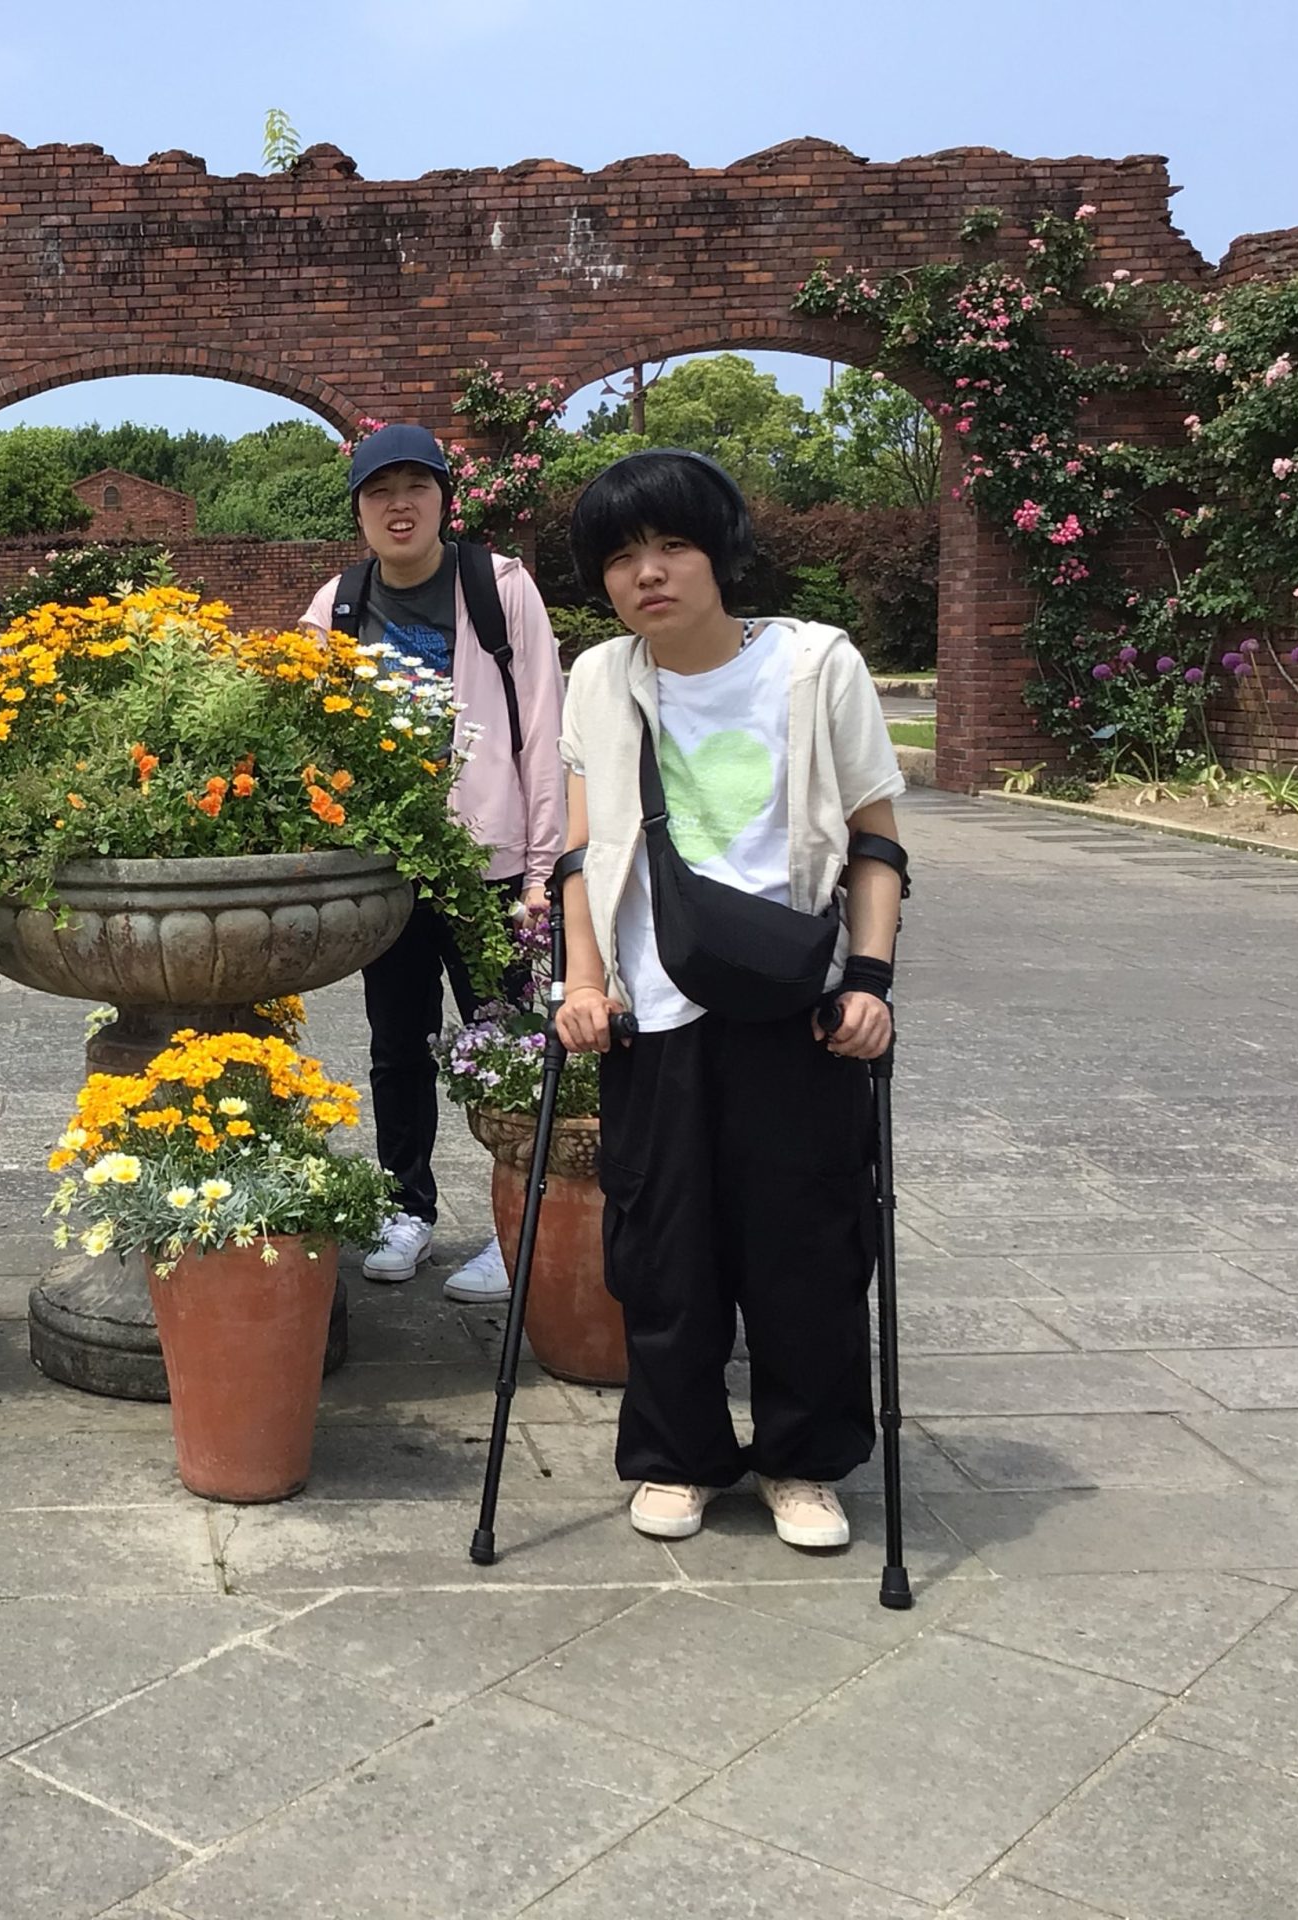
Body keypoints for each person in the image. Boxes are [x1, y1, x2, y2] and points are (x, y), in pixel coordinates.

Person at [552, 448, 905, 1552]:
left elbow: (876, 840)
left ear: (720, 553)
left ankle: (803, 1461)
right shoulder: (598, 678)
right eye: (621, 556)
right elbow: (578, 854)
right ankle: (679, 1455)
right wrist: (583, 980)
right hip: (654, 1015)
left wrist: (870, 981)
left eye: (672, 545)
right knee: (662, 1252)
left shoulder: (815, 664)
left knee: (807, 1247)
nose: (648, 573)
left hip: (794, 1006)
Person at [300, 423, 566, 1292]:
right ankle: (405, 1208)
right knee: (397, 1046)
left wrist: (543, 871)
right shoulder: (337, 605)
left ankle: (517, 1229)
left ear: (445, 500)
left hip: (491, 866)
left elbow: (544, 730)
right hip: (388, 870)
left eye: (417, 486)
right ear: (359, 511)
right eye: (380, 491)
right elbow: (299, 731)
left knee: (510, 1046)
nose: (399, 505)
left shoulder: (499, 588)